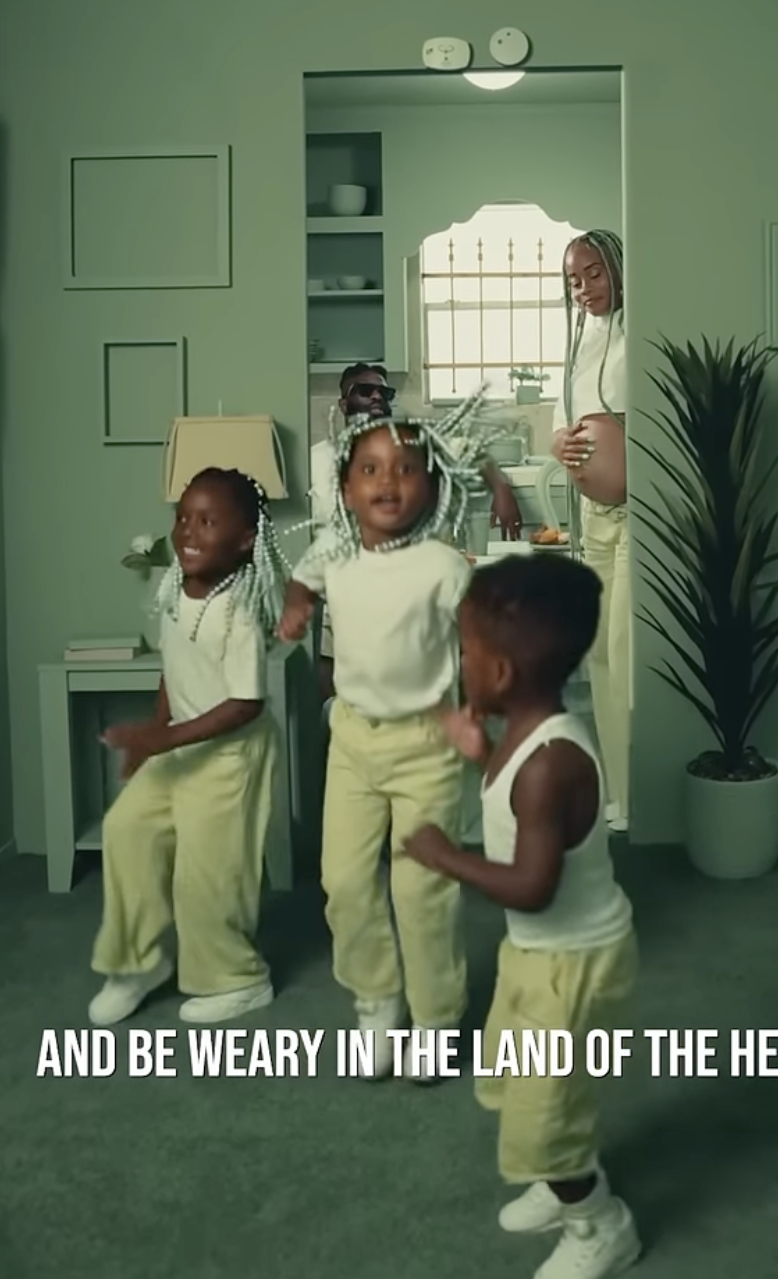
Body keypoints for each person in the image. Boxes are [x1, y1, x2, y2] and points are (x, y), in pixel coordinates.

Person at [403, 554, 640, 1279]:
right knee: (525, 1082)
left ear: (500, 674)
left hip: (570, 963)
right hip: (538, 955)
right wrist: (480, 757)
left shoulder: (549, 764)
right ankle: (557, 1172)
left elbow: (531, 884)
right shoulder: (529, 738)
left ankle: (600, 1223)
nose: (460, 663)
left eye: (466, 651)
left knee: (546, 1116)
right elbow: (516, 816)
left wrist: (444, 856)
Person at [278, 392, 493, 1081]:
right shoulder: (332, 552)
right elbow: (301, 584)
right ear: (346, 487)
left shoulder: (442, 566)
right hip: (352, 745)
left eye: (404, 468)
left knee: (421, 888)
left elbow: (479, 648)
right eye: (369, 470)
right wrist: (295, 609)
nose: (387, 482)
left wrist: (472, 712)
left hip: (426, 746)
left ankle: (434, 1018)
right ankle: (377, 999)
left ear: (430, 483)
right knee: (342, 880)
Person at [88, 468, 290, 1027]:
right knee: (126, 828)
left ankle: (237, 978)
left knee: (206, 871)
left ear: (245, 539)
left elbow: (245, 703)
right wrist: (157, 739)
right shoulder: (176, 584)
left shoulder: (240, 606)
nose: (188, 532)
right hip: (180, 744)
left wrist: (162, 737)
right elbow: (174, 671)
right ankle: (138, 962)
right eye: (182, 518)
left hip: (231, 756)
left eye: (208, 521)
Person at [309, 362, 524, 701]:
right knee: (330, 687)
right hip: (340, 597)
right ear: (343, 404)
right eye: (365, 391)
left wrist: (502, 489)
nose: (377, 396)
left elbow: (472, 452)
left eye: (384, 391)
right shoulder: (317, 461)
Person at [550, 231, 630, 833]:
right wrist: (560, 443)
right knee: (600, 654)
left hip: (637, 520)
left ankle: (639, 794)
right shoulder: (579, 343)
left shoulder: (642, 330)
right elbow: (563, 427)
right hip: (594, 520)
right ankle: (620, 791)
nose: (584, 289)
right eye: (575, 279)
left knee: (628, 653)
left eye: (595, 273)